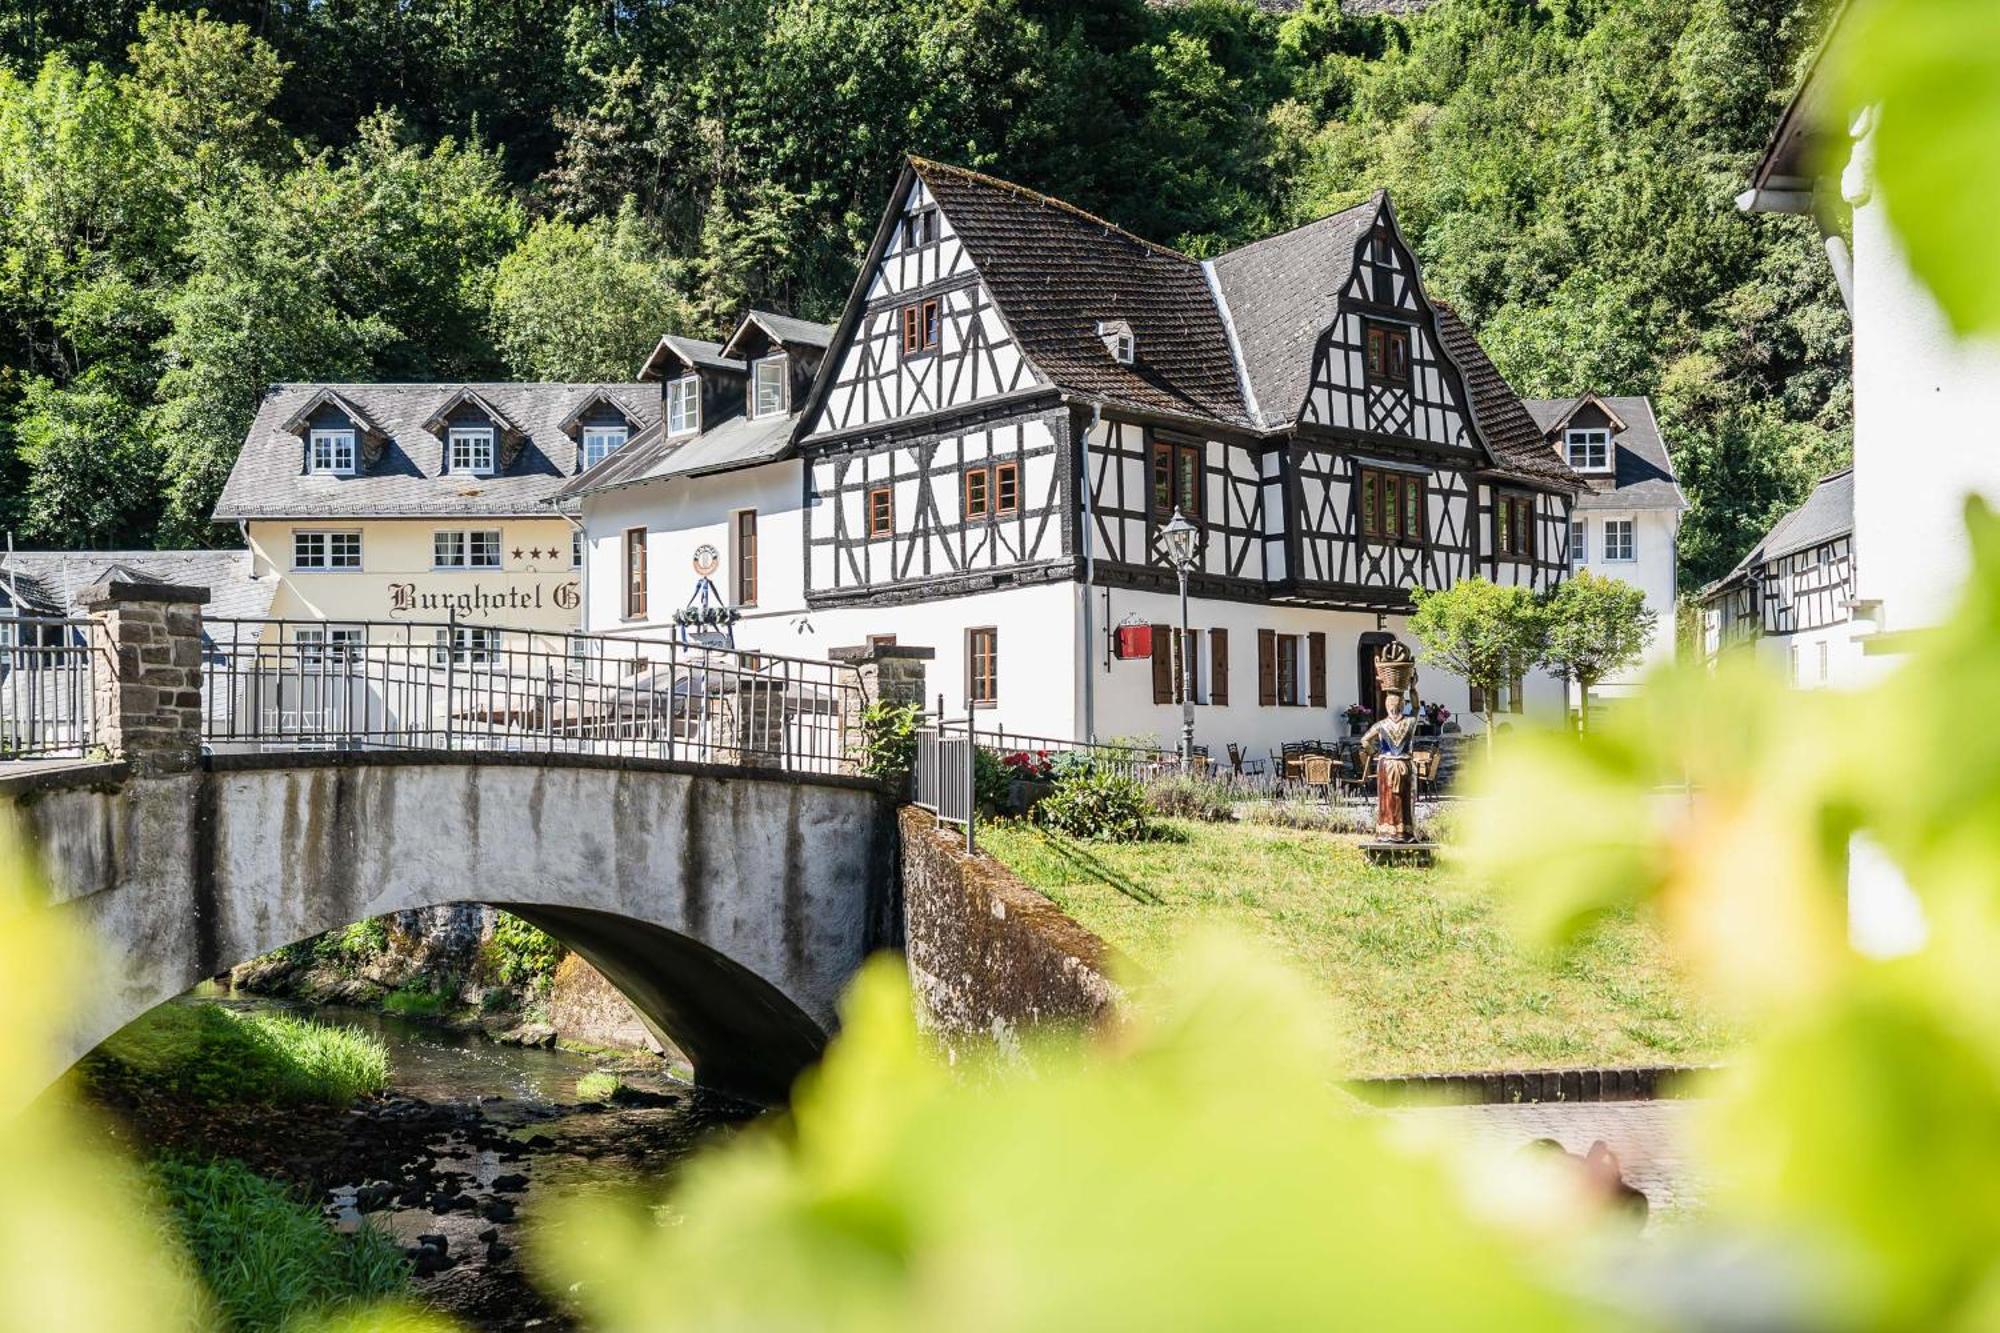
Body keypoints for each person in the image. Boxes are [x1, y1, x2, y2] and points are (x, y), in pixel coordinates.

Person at [1358, 688, 1418, 842]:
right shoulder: (1410, 721)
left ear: (1386, 706)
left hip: (1387, 764)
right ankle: (1404, 831)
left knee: (1387, 799)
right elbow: (1417, 708)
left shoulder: (1381, 725)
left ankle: (1386, 831)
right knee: (1404, 799)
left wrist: (1375, 753)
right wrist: (1413, 689)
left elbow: (1364, 740)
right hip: (1404, 763)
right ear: (1403, 705)